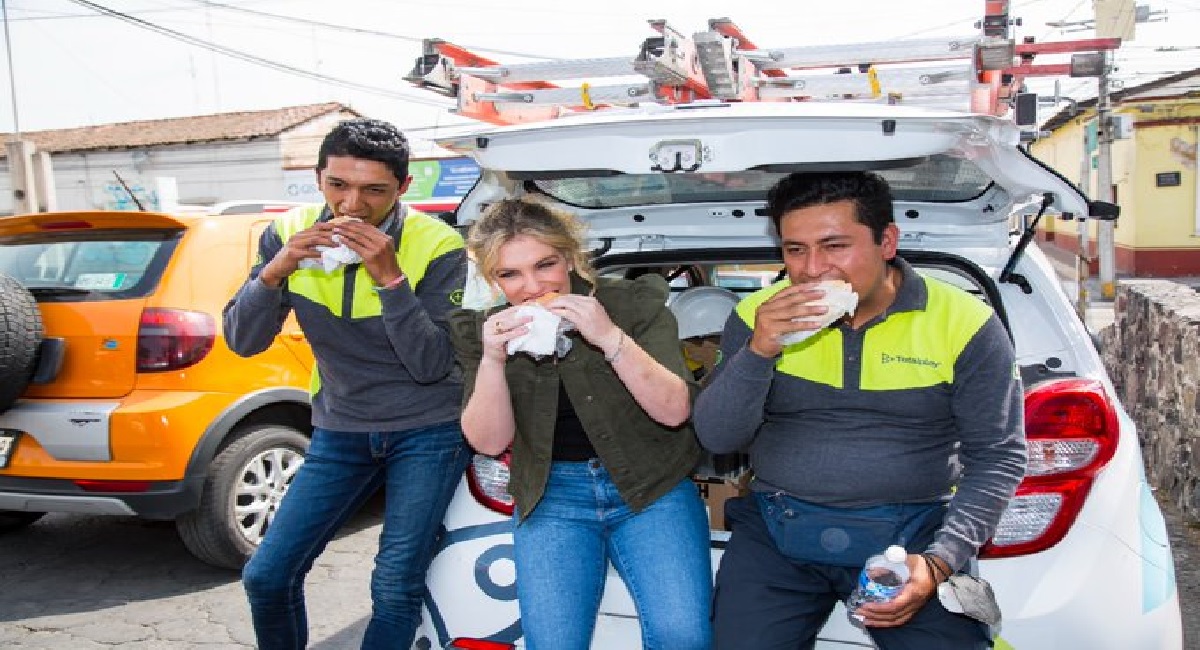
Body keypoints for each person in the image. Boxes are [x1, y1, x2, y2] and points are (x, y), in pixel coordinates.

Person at [694, 171, 1026, 650]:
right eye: (794, 250)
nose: (812, 270)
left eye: (834, 246)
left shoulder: (965, 322)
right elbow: (718, 437)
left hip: (912, 533)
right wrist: (761, 349)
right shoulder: (757, 315)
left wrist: (938, 564)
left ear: (887, 241)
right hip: (777, 527)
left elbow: (998, 456)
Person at [224, 118, 470, 650]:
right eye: (338, 185)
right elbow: (243, 341)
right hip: (340, 426)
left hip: (428, 428)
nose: (352, 205)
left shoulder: (439, 243)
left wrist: (391, 278)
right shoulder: (286, 234)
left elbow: (431, 365)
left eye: (373, 191)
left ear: (403, 188)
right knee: (267, 577)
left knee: (395, 584)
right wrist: (275, 272)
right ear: (318, 179)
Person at [448, 197, 712, 650]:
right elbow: (489, 441)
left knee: (682, 637)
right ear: (494, 279)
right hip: (551, 497)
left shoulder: (632, 305)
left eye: (545, 265)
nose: (531, 287)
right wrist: (493, 358)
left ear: (569, 257)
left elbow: (675, 410)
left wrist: (609, 337)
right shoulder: (484, 331)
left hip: (653, 487)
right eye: (510, 274)